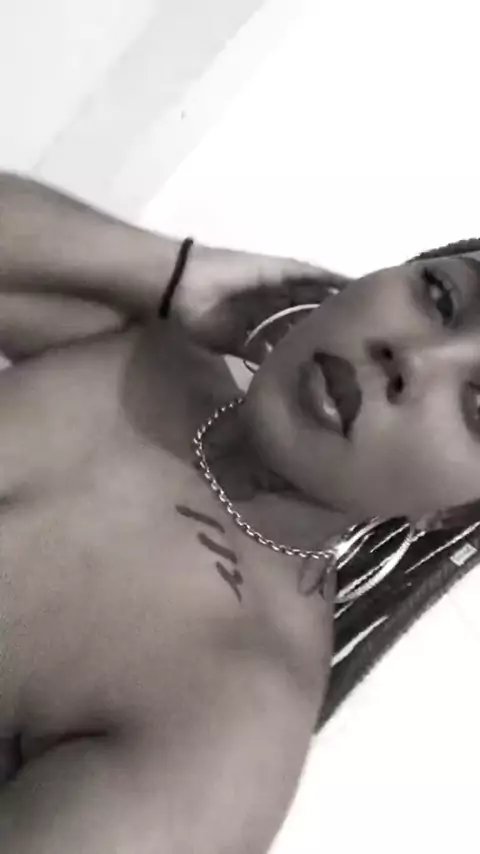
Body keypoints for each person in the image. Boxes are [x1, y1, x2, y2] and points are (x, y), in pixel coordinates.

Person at [0, 171, 479, 853]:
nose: (412, 357)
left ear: (451, 513)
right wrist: (173, 270)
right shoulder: (149, 347)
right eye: (440, 296)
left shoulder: (226, 720)